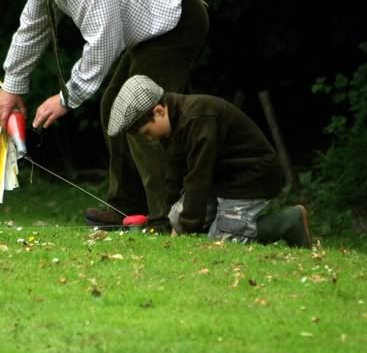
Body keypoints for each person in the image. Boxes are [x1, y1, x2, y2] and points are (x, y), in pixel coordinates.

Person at [0, 0, 208, 228]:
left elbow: (105, 42)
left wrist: (67, 98)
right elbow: (32, 29)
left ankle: (171, 219)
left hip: (176, 23)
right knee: (112, 107)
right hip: (149, 34)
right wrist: (12, 87)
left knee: (141, 114)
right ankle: (126, 207)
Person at [107, 74, 312, 247]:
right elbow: (175, 174)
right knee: (177, 217)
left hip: (251, 178)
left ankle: (289, 221)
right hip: (222, 179)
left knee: (222, 242)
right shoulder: (173, 123)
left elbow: (198, 178)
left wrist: (184, 230)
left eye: (146, 132)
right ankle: (221, 225)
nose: (148, 138)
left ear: (159, 111)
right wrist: (171, 222)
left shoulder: (196, 119)